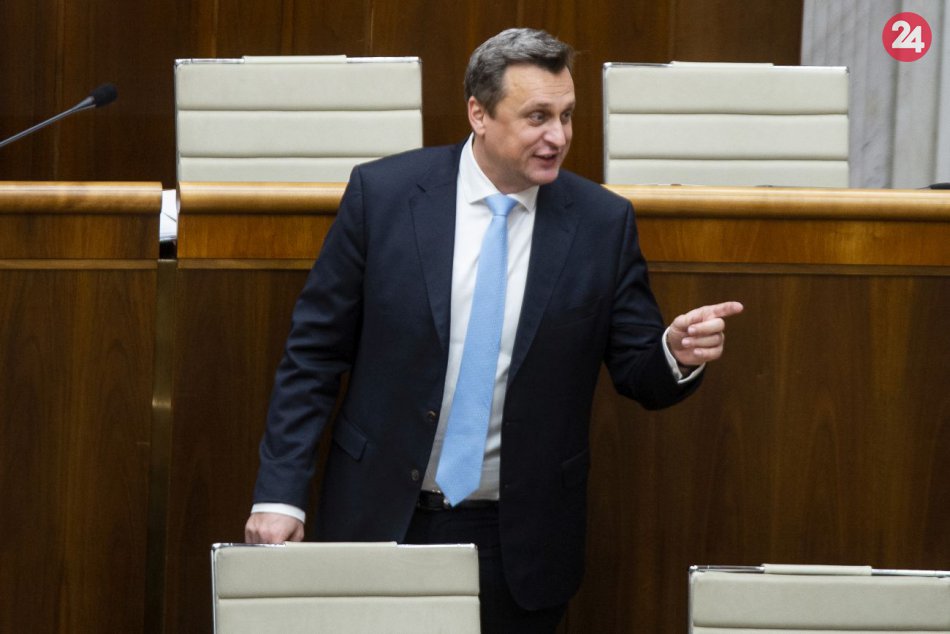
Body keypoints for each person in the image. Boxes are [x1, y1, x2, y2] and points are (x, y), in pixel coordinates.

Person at [245, 27, 743, 632]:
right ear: (478, 114)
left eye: (566, 115)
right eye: (537, 117)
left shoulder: (601, 223)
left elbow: (639, 371)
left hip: (520, 538)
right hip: (381, 514)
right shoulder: (385, 195)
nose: (558, 136)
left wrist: (675, 352)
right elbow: (314, 355)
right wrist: (280, 493)